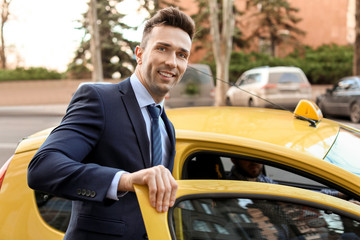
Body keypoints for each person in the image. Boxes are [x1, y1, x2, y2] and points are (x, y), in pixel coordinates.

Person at [27, 7, 195, 240]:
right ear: (139, 54)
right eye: (162, 48)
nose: (171, 62)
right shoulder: (99, 99)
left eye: (181, 55)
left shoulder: (167, 127)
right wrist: (125, 180)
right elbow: (42, 168)